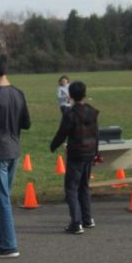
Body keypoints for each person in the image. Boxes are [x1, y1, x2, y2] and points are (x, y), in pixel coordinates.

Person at [0, 53, 31, 259]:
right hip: (14, 148)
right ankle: (2, 239)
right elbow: (26, 123)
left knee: (2, 198)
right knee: (5, 195)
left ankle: (10, 245)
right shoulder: (19, 93)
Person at [49, 80, 99, 234]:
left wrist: (53, 145)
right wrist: (96, 152)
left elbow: (62, 133)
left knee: (71, 188)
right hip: (89, 152)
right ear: (85, 93)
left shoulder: (70, 114)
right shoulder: (92, 111)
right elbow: (96, 133)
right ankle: (87, 218)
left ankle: (76, 222)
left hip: (76, 153)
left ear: (69, 95)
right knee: (84, 186)